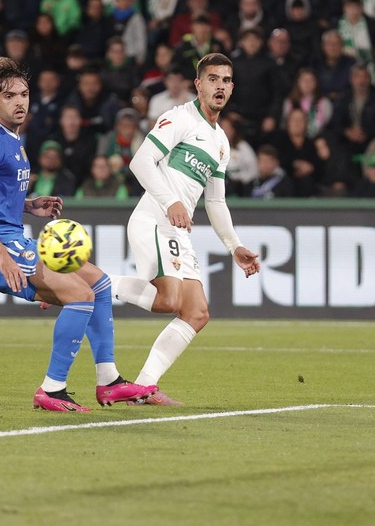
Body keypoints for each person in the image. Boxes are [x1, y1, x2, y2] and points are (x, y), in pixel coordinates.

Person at [0, 57, 154, 411]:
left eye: (24, 94)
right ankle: (52, 389)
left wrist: (29, 205)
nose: (19, 101)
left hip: (13, 238)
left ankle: (108, 381)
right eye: (9, 95)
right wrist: (1, 254)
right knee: (80, 294)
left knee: (99, 283)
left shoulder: (12, 139)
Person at [109, 53, 261, 406]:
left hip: (177, 229)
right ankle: (90, 281)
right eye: (213, 79)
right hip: (154, 219)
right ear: (198, 84)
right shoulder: (179, 118)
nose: (220, 86)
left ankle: (144, 388)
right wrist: (171, 201)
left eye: (226, 80)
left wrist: (234, 245)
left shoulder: (221, 141)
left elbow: (216, 202)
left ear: (232, 87)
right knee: (170, 300)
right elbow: (141, 161)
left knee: (196, 313)